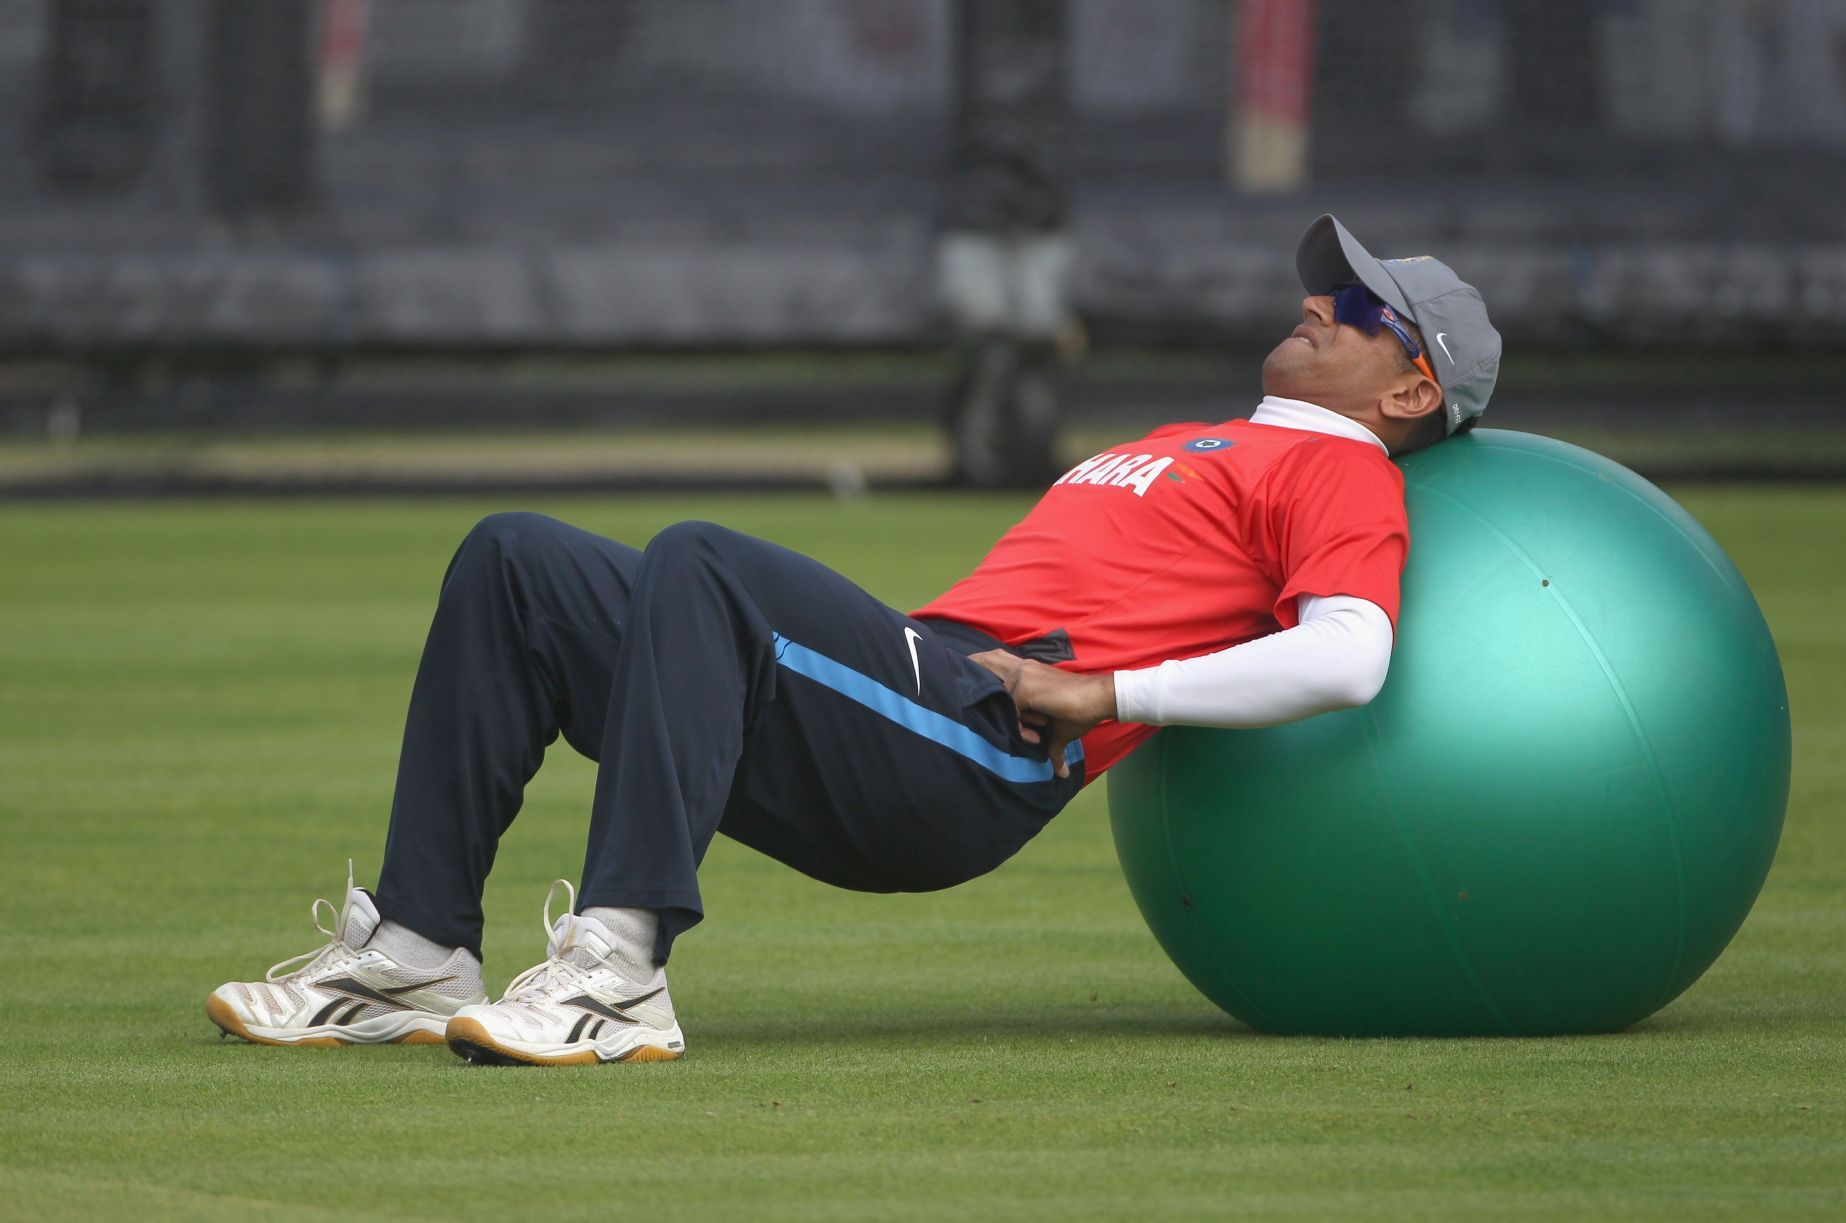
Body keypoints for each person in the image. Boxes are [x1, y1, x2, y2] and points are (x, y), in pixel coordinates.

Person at [205, 215, 1502, 1066]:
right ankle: (419, 952)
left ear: (1411, 390)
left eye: (1362, 309)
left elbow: (1350, 657)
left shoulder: (1341, 473)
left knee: (703, 560)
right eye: (1327, 288)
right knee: (514, 563)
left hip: (979, 742)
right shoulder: (1209, 439)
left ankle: (619, 977)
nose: (1324, 303)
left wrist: (1110, 691)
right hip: (912, 682)